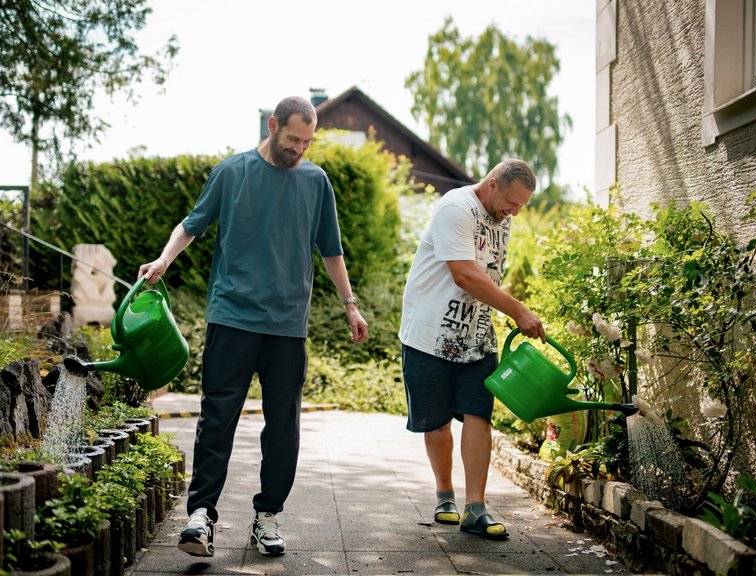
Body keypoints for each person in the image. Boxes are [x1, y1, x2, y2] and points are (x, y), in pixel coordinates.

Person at [138, 96, 369, 558]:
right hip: (232, 317)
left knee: (283, 426)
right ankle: (200, 517)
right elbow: (192, 224)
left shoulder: (316, 181)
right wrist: (165, 259)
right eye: (293, 139)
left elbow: (331, 250)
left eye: (308, 141)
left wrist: (351, 305)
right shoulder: (232, 172)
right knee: (217, 418)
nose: (300, 149)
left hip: (287, 327)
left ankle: (267, 517)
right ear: (272, 126)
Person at [399, 158, 545, 540]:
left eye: (520, 207)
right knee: (437, 421)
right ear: (493, 183)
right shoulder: (455, 208)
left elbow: (490, 273)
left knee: (479, 415)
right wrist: (518, 310)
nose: (513, 212)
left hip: (478, 336)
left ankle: (475, 508)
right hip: (429, 335)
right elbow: (463, 273)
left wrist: (499, 312)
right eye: (511, 202)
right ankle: (445, 494)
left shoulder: (503, 219)